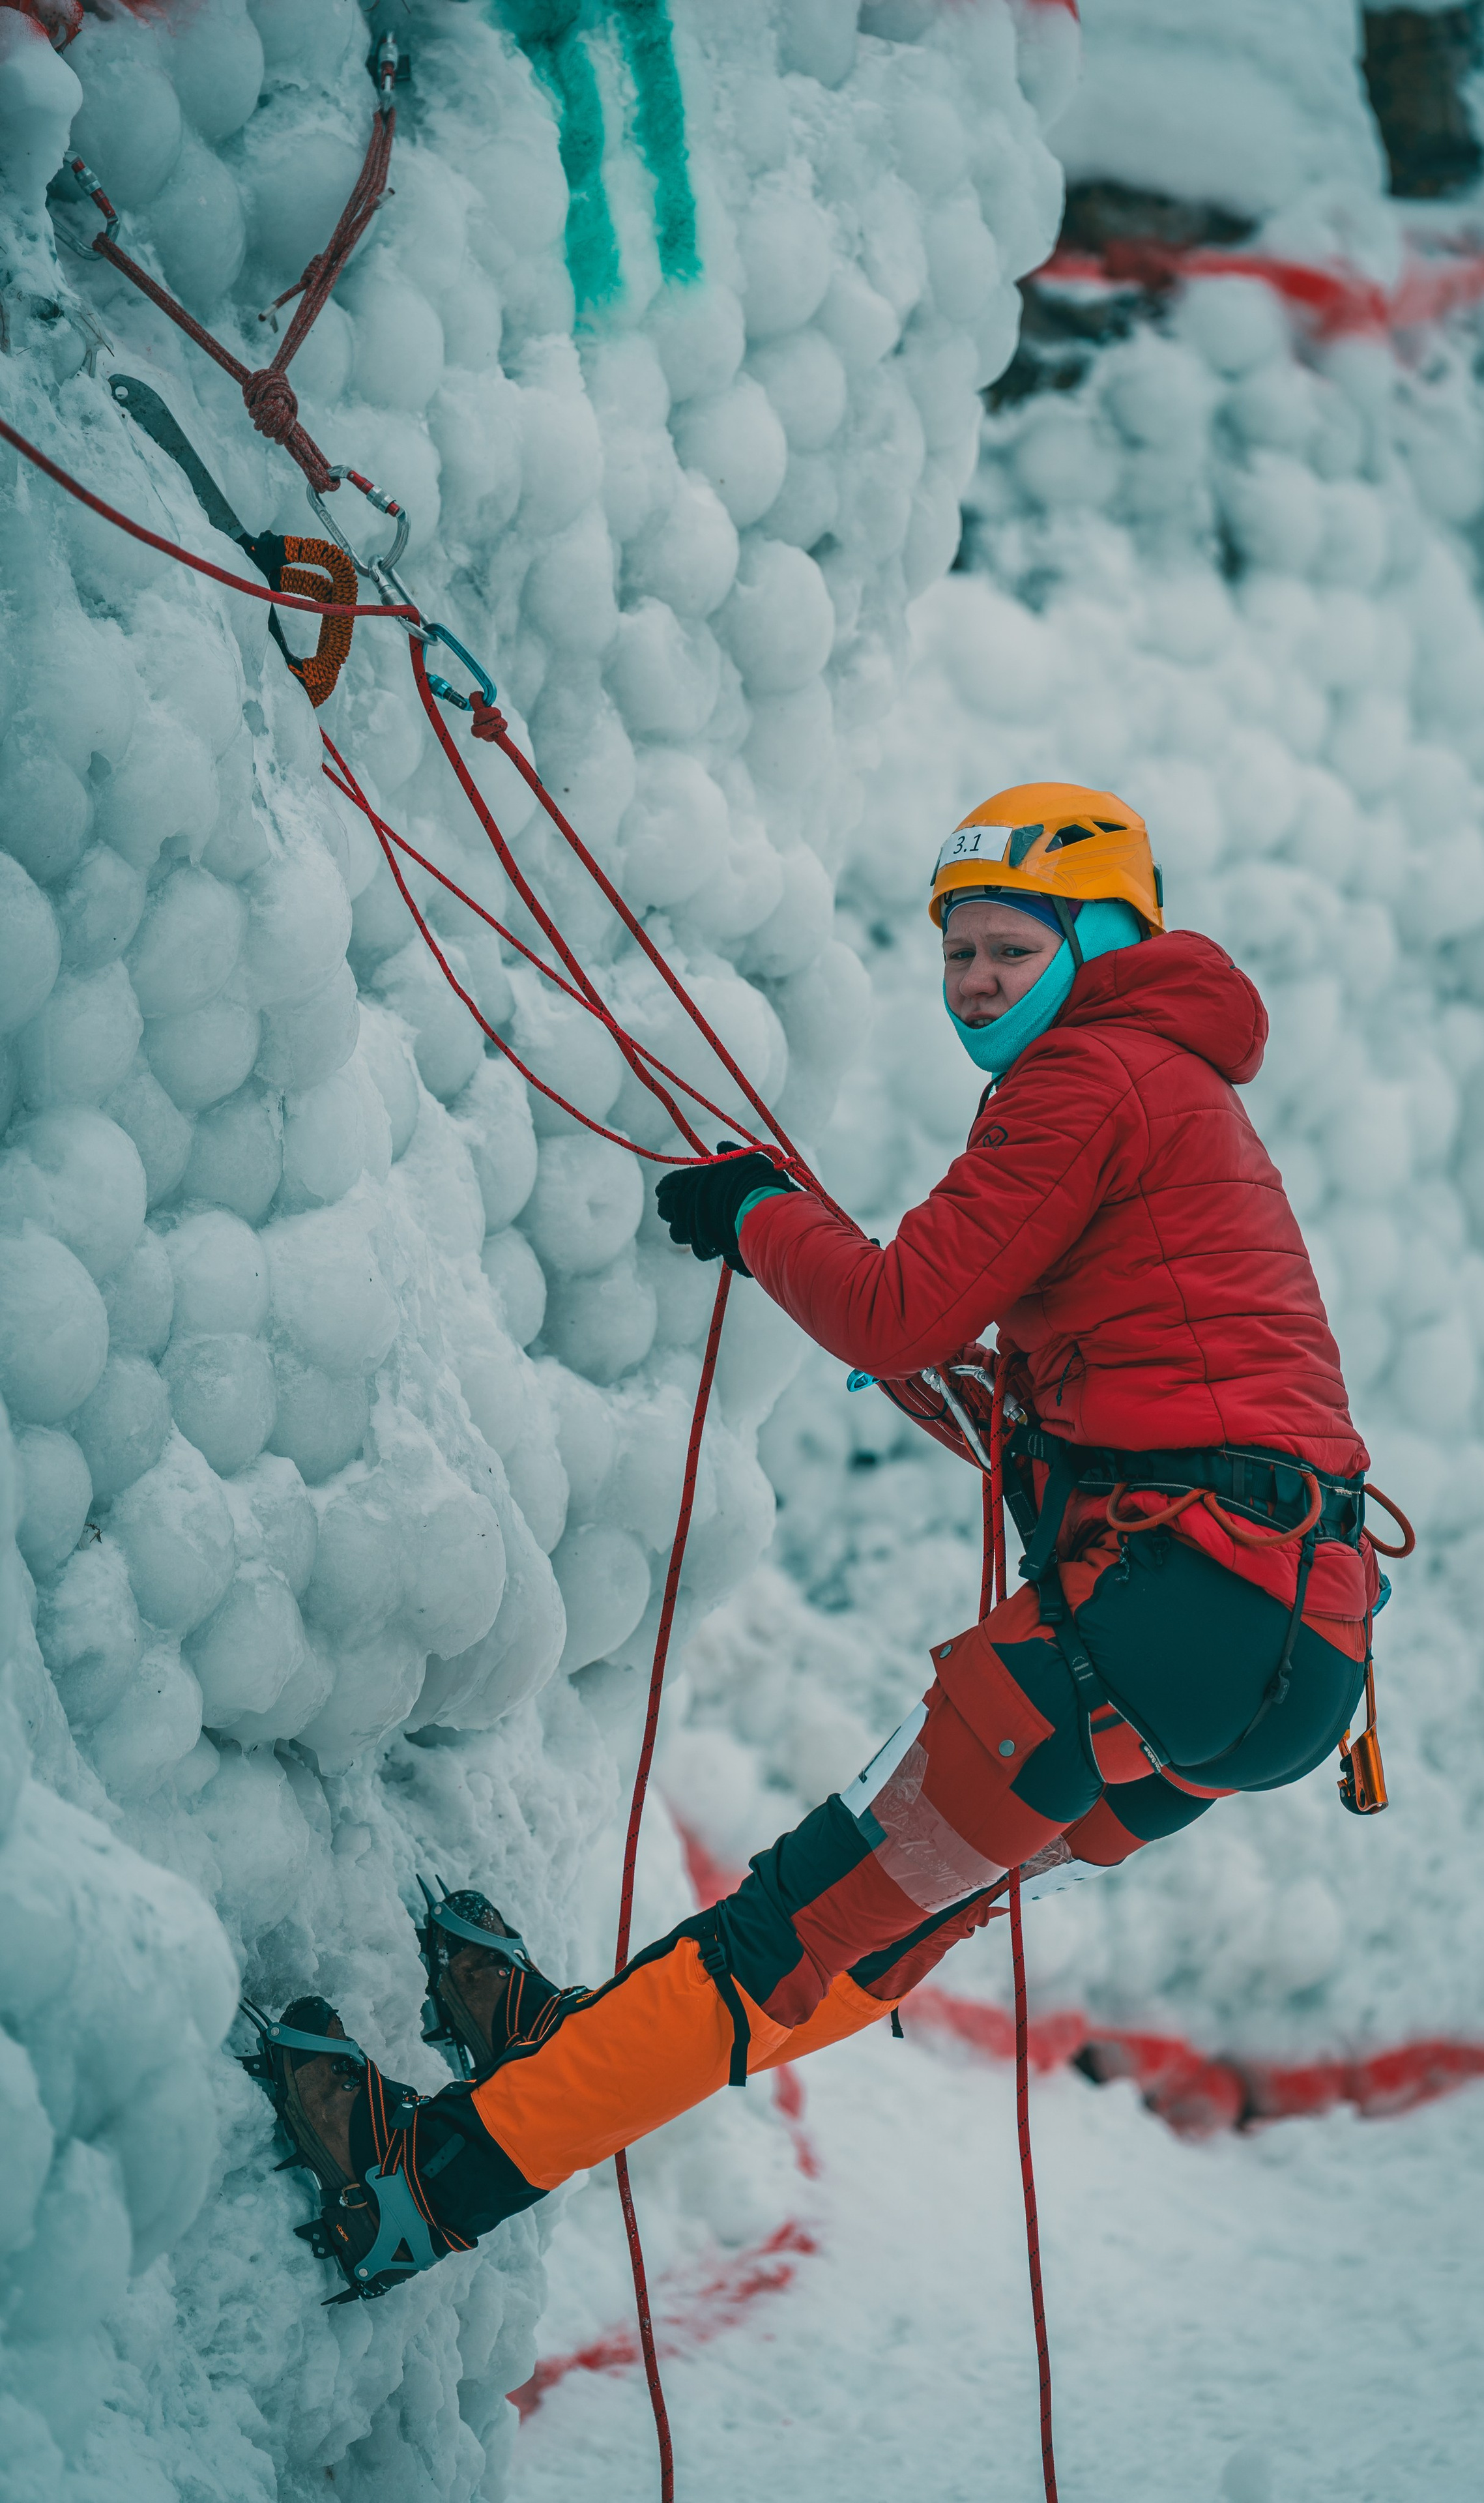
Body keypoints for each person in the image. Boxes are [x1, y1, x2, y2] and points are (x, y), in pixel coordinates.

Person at [249, 783, 1391, 2300]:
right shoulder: (1179, 1092)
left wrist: (756, 1217)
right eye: (956, 953)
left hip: (1176, 1614)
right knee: (862, 1935)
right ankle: (571, 2054)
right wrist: (950, 1365)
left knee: (796, 1926)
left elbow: (900, 1305)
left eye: (1008, 946)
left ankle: (422, 2190)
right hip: (1287, 1659)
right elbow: (1151, 1399)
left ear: (1102, 936)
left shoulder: (1091, 1075)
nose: (974, 982)